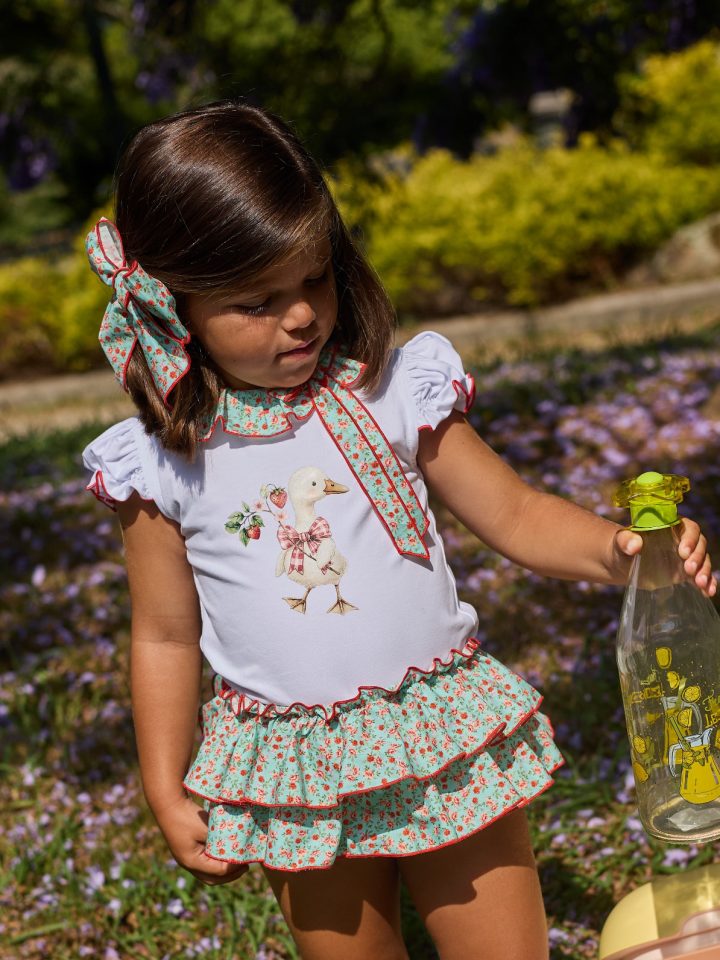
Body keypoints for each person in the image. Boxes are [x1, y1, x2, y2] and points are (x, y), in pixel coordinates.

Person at [82, 100, 715, 960]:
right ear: (174, 307)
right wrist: (166, 783)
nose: (301, 315)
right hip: (294, 769)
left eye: (314, 278)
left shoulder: (391, 389)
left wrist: (621, 552)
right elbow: (163, 634)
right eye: (256, 301)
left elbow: (518, 513)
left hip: (441, 733)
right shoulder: (163, 462)